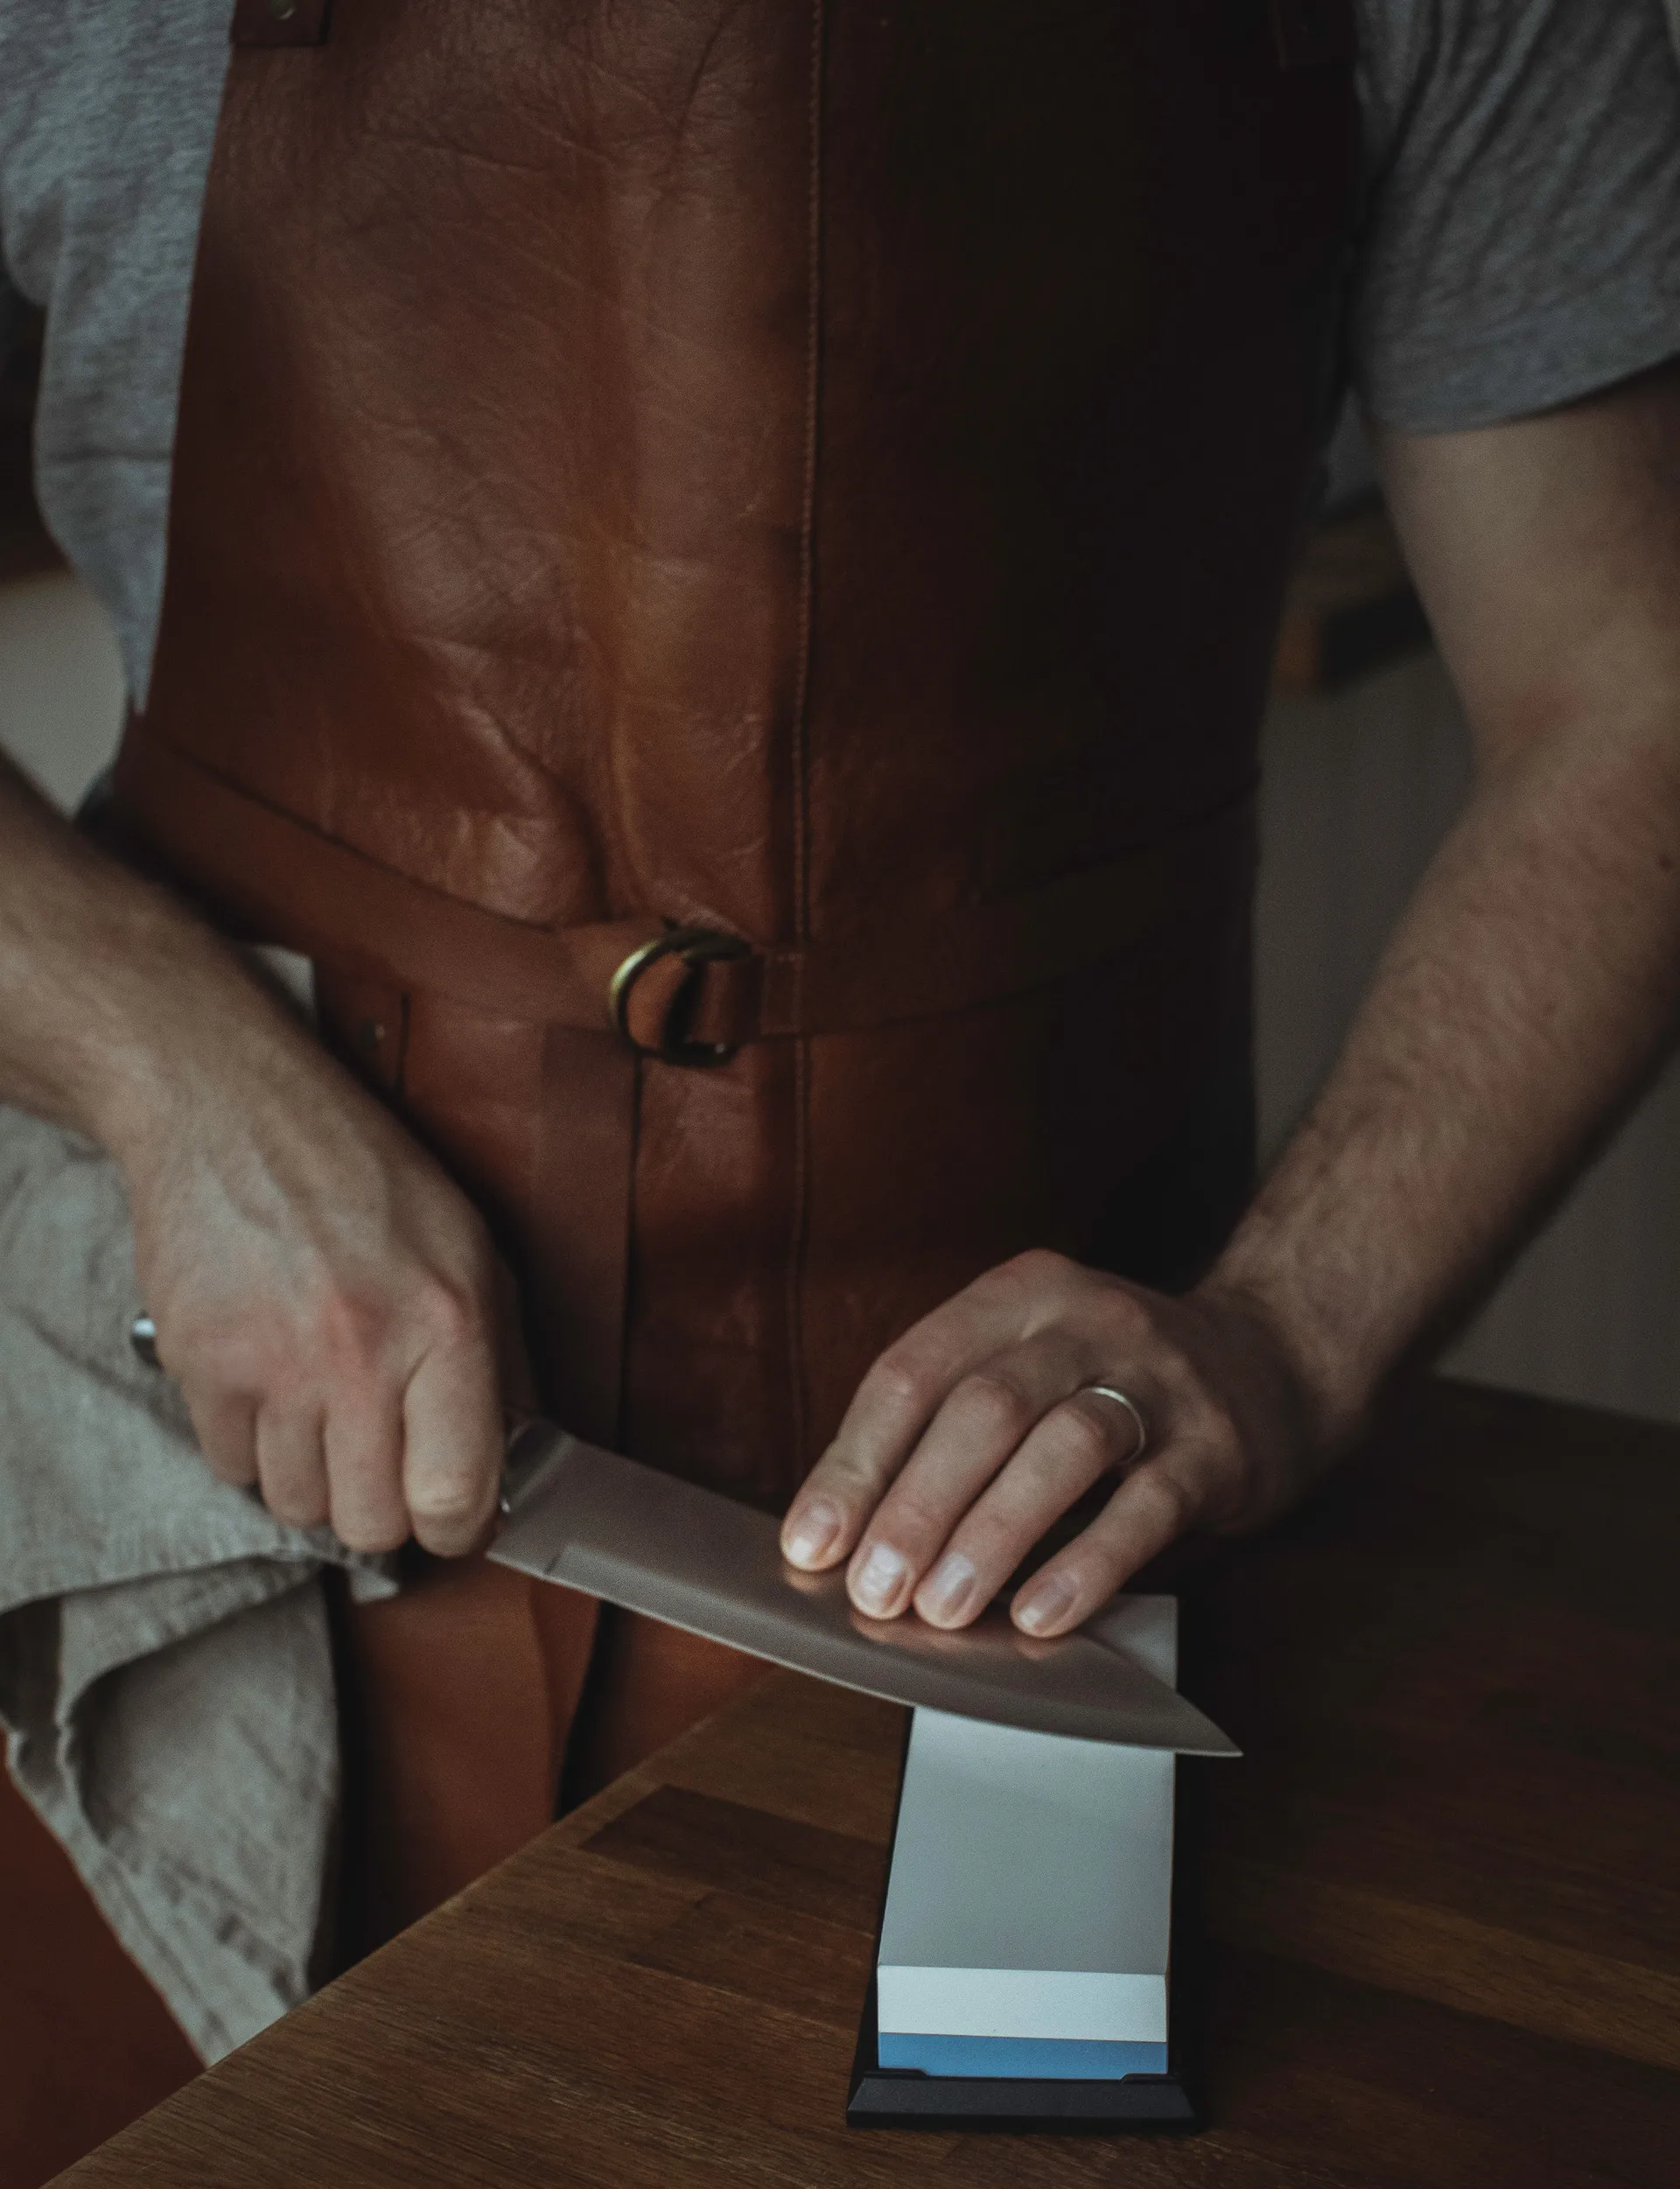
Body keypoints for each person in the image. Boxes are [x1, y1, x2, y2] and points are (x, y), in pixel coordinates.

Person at [2, 0, 1679, 1969]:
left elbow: (1631, 690)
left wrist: (1293, 1334)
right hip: (182, 1411)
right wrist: (175, 1074)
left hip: (1069, 1521)